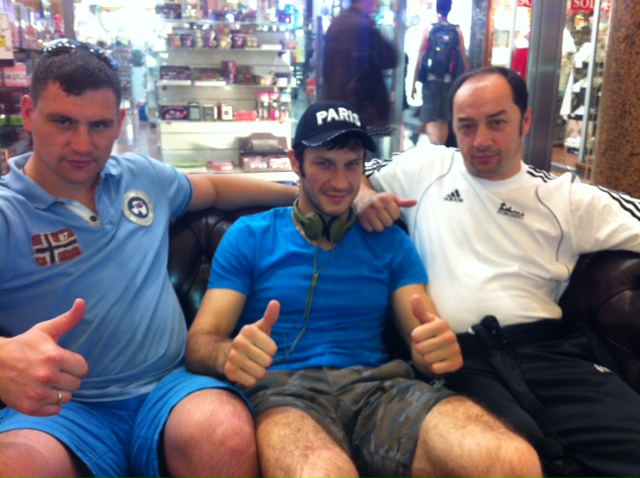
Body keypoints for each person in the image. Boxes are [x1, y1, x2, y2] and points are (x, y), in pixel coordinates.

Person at [185, 99, 544, 478]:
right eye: (325, 164)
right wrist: (227, 354)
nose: (341, 182)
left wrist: (436, 352)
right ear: (295, 162)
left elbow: (424, 342)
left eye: (352, 165)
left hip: (381, 388)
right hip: (283, 395)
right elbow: (199, 343)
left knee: (513, 461)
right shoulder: (250, 237)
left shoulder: (391, 243)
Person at [0, 39, 297, 478]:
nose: (82, 143)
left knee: (225, 433)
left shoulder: (140, 177)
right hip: (61, 409)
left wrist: (306, 195)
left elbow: (215, 188)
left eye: (99, 125)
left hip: (170, 388)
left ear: (120, 122)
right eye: (63, 121)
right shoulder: (7, 213)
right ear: (28, 113)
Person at [357, 66, 640, 478]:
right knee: (508, 462)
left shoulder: (561, 198)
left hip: (547, 354)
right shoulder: (426, 166)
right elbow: (349, 176)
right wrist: (362, 197)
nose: (481, 140)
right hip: (456, 359)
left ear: (525, 120)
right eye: (466, 126)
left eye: (497, 122)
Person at [322, 0, 398, 131]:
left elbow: (328, 67)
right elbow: (390, 58)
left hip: (337, 103)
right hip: (361, 106)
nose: (375, 4)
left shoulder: (337, 23)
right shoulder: (362, 25)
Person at [411, 0, 469, 146]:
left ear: (436, 9)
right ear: (450, 9)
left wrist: (414, 83)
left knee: (430, 117)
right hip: (449, 81)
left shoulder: (430, 29)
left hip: (430, 81)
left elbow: (420, 57)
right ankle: (441, 148)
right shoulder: (456, 31)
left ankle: (435, 145)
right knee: (444, 118)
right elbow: (463, 57)